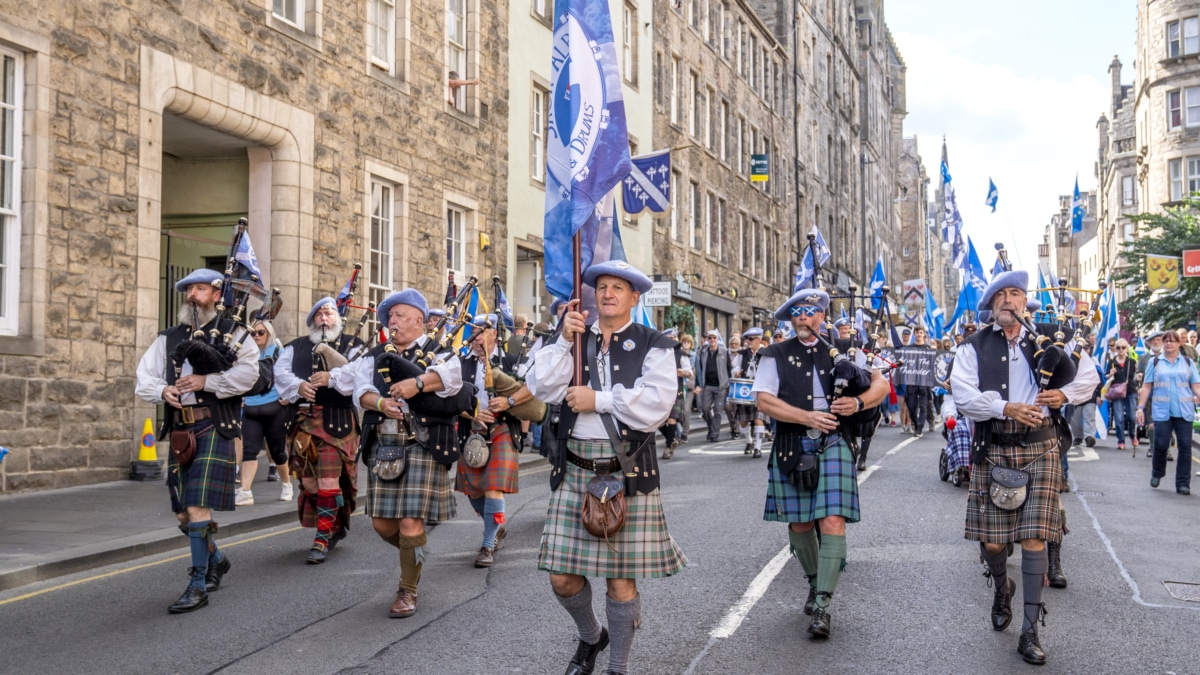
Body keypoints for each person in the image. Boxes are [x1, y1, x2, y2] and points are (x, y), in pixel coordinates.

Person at [527, 260, 687, 675]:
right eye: (602, 287)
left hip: (626, 471)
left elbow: (655, 406)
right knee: (561, 577)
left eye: (619, 287)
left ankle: (618, 666)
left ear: (635, 298)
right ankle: (590, 635)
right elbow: (541, 387)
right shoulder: (574, 339)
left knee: (620, 582)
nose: (608, 293)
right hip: (576, 467)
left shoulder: (655, 343)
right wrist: (563, 340)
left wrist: (597, 399)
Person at [950, 270, 1099, 665]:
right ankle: (1002, 586)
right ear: (991, 305)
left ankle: (1030, 630)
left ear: (1024, 299)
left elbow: (1090, 376)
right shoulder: (973, 346)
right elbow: (963, 395)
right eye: (1000, 295)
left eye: (1015, 293)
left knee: (1034, 538)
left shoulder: (1052, 338)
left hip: (1041, 446)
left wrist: (1063, 393)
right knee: (995, 543)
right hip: (995, 444)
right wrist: (1004, 407)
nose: (1008, 300)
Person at [753, 288, 889, 639]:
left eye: (811, 312)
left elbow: (881, 384)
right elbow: (765, 401)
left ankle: (824, 606)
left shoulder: (846, 350)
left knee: (831, 520)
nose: (803, 317)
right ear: (791, 317)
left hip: (834, 442)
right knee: (800, 524)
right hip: (791, 442)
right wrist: (807, 417)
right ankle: (815, 583)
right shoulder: (774, 353)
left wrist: (858, 404)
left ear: (822, 317)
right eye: (797, 311)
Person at [135, 268, 261, 613]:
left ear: (217, 295)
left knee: (196, 507)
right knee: (183, 516)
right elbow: (142, 377)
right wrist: (162, 389)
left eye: (200, 289)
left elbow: (248, 376)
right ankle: (216, 559)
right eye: (189, 289)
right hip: (180, 433)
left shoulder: (236, 333)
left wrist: (206, 382)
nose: (193, 294)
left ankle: (197, 584)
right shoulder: (169, 337)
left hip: (213, 427)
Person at [354, 289, 467, 618]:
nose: (393, 321)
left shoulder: (438, 352)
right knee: (381, 525)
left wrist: (416, 384)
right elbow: (360, 389)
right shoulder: (374, 354)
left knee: (408, 522)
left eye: (400, 315)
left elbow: (453, 379)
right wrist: (380, 403)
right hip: (384, 444)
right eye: (390, 317)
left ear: (419, 320)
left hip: (422, 443)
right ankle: (415, 553)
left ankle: (408, 589)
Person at [274, 298, 365, 563]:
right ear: (311, 320)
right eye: (319, 314)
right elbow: (280, 376)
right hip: (302, 421)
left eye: (329, 313)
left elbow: (357, 375)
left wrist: (332, 377)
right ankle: (334, 524)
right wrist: (299, 386)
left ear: (338, 318)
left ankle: (322, 538)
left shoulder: (354, 345)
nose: (324, 318)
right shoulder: (294, 347)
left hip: (337, 421)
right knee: (310, 483)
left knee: (328, 481)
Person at [456, 314, 526, 568]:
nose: (475, 338)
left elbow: (532, 394)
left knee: (492, 486)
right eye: (472, 333)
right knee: (473, 491)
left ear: (494, 334)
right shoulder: (459, 363)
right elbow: (447, 398)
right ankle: (496, 525)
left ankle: (487, 544)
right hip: (472, 431)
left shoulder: (510, 362)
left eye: (481, 332)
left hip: (503, 428)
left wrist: (509, 401)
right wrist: (470, 412)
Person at [1136, 329, 1200, 495]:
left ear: (1179, 343)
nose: (1169, 343)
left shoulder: (1187, 362)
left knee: (1185, 447)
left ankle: (1183, 484)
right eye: (1166, 341)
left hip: (1184, 411)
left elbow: (1196, 386)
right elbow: (1147, 386)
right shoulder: (1155, 362)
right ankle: (1157, 472)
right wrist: (1140, 408)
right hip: (1162, 411)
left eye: (1172, 341)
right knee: (1161, 444)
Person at [237, 319, 293, 504]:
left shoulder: (277, 351)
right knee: (249, 451)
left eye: (261, 332)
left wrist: (288, 396)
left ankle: (286, 484)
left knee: (278, 452)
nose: (256, 336)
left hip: (274, 408)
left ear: (268, 334)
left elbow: (288, 375)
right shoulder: (244, 353)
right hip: (251, 409)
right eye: (253, 332)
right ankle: (245, 491)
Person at [733, 327, 769, 458]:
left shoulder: (766, 353)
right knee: (743, 420)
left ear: (759, 340)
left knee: (758, 418)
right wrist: (736, 372)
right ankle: (749, 441)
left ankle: (758, 447)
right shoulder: (742, 353)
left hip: (759, 389)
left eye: (751, 339)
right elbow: (735, 367)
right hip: (744, 389)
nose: (748, 341)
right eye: (747, 339)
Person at [695, 329, 731, 442]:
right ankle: (711, 428)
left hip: (721, 386)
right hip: (708, 385)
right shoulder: (703, 352)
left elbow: (729, 369)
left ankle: (714, 434)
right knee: (705, 408)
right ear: (707, 340)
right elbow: (699, 369)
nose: (712, 340)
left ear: (717, 339)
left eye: (714, 338)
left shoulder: (724, 352)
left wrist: (728, 384)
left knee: (718, 410)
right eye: (709, 338)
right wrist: (699, 384)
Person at [658, 328, 687, 459]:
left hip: (676, 391)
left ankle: (668, 447)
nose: (670, 340)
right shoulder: (657, 353)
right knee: (659, 422)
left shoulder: (681, 353)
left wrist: (682, 372)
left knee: (671, 419)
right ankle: (673, 438)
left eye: (673, 338)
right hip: (661, 390)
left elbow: (689, 372)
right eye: (668, 338)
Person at [1105, 338, 1138, 451]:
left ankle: (1133, 435)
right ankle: (1121, 440)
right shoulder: (1112, 362)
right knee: (1118, 418)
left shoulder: (1132, 362)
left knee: (1132, 417)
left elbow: (1136, 377)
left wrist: (1138, 376)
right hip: (1117, 391)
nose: (1120, 350)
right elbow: (1106, 376)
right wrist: (1110, 374)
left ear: (1127, 349)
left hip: (1131, 391)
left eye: (1123, 347)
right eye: (1118, 347)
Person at [903, 326, 932, 437]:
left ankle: (920, 428)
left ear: (923, 334)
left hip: (924, 381)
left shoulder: (928, 348)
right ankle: (915, 423)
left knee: (924, 406)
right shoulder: (909, 348)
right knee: (911, 406)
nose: (919, 334)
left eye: (921, 332)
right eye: (917, 332)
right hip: (912, 381)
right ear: (914, 334)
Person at [677, 333, 696, 443]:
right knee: (678, 410)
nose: (686, 344)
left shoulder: (694, 356)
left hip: (689, 386)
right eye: (684, 342)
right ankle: (680, 430)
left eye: (688, 342)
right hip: (679, 386)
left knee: (687, 409)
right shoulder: (678, 354)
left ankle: (685, 432)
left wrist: (699, 386)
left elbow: (698, 370)